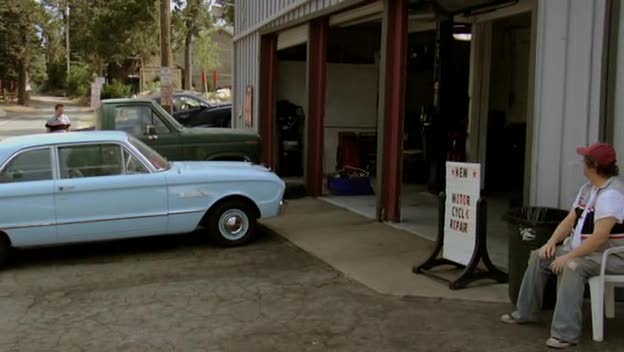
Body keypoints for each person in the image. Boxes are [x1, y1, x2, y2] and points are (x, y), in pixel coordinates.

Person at [500, 142, 624, 349]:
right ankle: (526, 312)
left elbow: (600, 237)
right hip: (585, 251)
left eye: (585, 159)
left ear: (593, 166)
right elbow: (569, 220)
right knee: (539, 255)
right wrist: (551, 242)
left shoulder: (612, 194)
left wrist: (569, 256)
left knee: (571, 267)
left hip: (609, 256)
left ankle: (565, 333)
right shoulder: (589, 188)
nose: (582, 162)